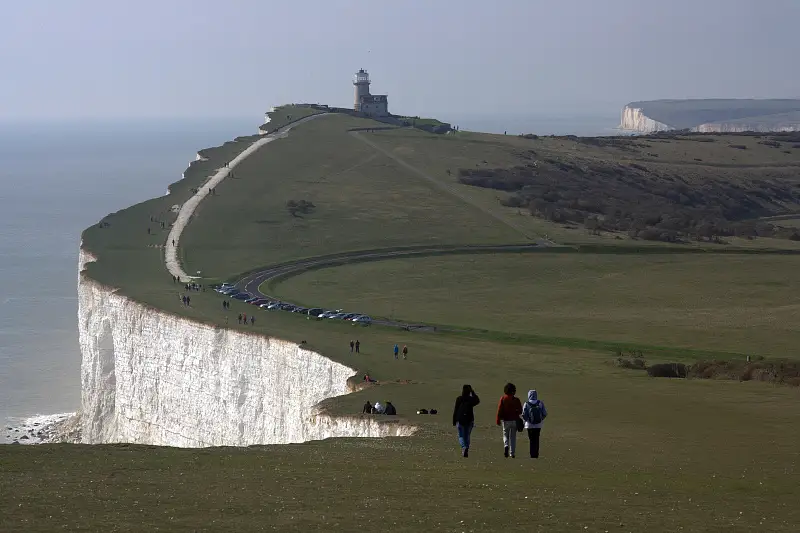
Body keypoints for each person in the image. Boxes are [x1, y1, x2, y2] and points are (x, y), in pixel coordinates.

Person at [496, 383, 523, 458]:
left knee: (505, 435)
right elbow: (521, 411)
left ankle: (506, 445)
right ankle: (512, 453)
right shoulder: (516, 400)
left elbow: (499, 410)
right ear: (514, 391)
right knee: (513, 437)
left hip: (505, 420)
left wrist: (498, 420)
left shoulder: (503, 398)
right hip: (514, 420)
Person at [453, 384, 480, 458]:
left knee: (461, 435)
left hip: (460, 419)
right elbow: (477, 400)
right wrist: (473, 392)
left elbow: (456, 409)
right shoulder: (471, 399)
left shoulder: (459, 399)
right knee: (467, 435)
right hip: (469, 419)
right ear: (469, 391)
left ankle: (464, 447)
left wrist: (454, 420)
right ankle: (467, 448)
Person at [522, 389, 547, 459]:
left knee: (531, 440)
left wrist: (528, 420)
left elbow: (523, 414)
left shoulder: (526, 403)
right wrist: (540, 419)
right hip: (538, 425)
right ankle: (536, 454)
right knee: (537, 439)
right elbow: (544, 413)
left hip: (529, 425)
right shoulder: (540, 403)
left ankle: (532, 454)